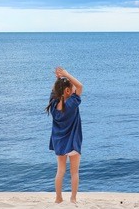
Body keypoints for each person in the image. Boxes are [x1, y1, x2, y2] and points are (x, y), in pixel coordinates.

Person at [45, 67, 83, 204]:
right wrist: (67, 75)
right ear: (67, 91)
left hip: (59, 142)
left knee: (60, 171)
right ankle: (73, 198)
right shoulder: (72, 103)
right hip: (73, 141)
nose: (74, 89)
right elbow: (80, 86)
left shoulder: (54, 103)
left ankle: (58, 198)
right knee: (74, 172)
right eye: (71, 88)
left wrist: (59, 80)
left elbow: (55, 90)